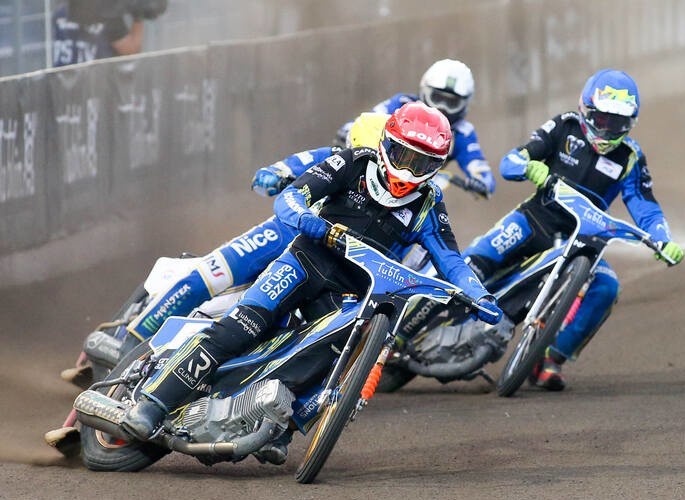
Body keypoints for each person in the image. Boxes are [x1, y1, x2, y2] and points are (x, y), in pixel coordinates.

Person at [120, 102, 503, 464]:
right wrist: (307, 219)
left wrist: (478, 293)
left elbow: (451, 259)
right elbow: (291, 197)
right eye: (405, 157)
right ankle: (152, 402)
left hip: (350, 291)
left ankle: (275, 425)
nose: (409, 171)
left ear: (437, 166)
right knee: (241, 326)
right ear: (387, 145)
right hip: (305, 261)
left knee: (330, 358)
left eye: (423, 164)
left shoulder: (429, 203)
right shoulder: (351, 162)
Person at [66, 112, 392, 384]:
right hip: (281, 236)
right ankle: (125, 349)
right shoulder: (333, 159)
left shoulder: (404, 201)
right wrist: (273, 175)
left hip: (327, 265)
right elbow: (282, 169)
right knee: (203, 279)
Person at [462, 69, 685, 391]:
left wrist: (663, 238)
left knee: (607, 288)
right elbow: (511, 161)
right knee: (472, 264)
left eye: (617, 123)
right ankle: (406, 326)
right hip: (534, 220)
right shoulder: (564, 126)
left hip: (583, 241)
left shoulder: (630, 156)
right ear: (585, 109)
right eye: (602, 119)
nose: (608, 129)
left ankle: (551, 358)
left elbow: (644, 204)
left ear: (630, 123)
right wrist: (528, 167)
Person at [337, 59, 496, 196]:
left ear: (464, 104)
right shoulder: (402, 104)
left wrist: (482, 182)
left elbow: (479, 167)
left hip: (417, 189)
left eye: (451, 103)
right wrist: (350, 129)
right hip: (371, 170)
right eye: (438, 98)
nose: (443, 108)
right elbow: (365, 120)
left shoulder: (462, 132)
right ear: (425, 90)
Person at [52, 0, 167, 67]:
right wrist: (138, 17)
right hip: (95, 84)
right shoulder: (108, 15)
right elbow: (130, 50)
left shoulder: (63, 10)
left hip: (62, 84)